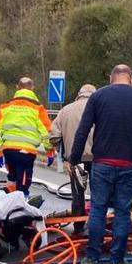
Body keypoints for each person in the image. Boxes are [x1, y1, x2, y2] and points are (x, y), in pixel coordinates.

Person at [68, 65, 132, 264]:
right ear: (130, 79)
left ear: (111, 78)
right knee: (122, 212)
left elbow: (83, 130)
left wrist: (73, 158)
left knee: (98, 210)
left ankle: (92, 259)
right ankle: (117, 260)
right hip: (130, 165)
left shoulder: (98, 97)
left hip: (102, 163)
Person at [0, 77, 55, 196]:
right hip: (26, 152)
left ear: (17, 87)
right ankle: (21, 205)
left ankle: (7, 204)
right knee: (23, 184)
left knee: (12, 178)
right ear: (33, 88)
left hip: (8, 150)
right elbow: (47, 133)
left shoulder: (6, 106)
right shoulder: (38, 108)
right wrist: (50, 152)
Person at [50, 84, 96, 232]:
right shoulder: (101, 107)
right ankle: (95, 227)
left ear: (79, 94)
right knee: (98, 193)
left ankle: (78, 227)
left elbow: (54, 136)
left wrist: (62, 151)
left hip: (75, 159)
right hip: (98, 158)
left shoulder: (65, 110)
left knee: (78, 195)